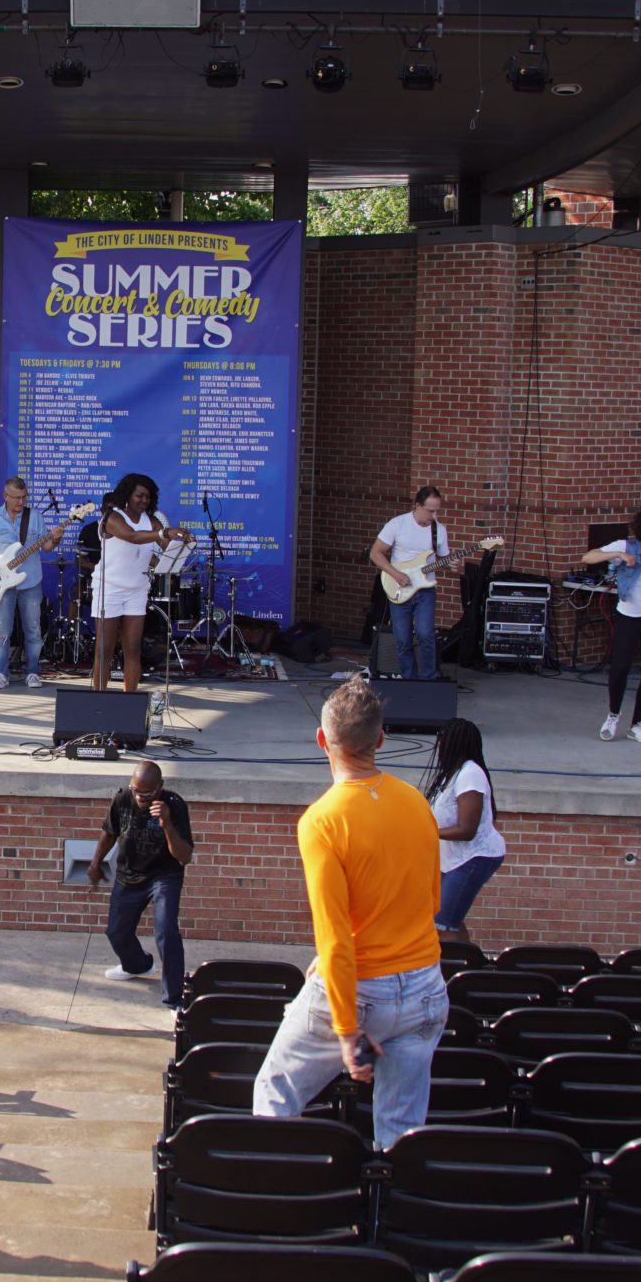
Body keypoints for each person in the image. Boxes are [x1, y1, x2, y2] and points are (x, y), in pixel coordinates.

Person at [250, 679, 448, 1151]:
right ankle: (392, 1196)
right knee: (401, 1133)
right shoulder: (416, 802)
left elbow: (335, 938)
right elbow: (432, 902)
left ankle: (278, 1189)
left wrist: (345, 1029)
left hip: (360, 990)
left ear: (322, 740)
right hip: (425, 987)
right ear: (381, 739)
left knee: (274, 1093)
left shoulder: (322, 821)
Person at [88, 762, 193, 1012]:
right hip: (130, 873)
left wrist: (167, 823)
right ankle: (138, 965)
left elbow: (184, 857)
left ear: (160, 787)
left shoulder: (174, 805)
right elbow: (110, 832)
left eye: (147, 794)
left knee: (166, 933)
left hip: (164, 876)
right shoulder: (123, 798)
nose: (140, 798)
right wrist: (95, 863)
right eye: (136, 790)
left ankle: (175, 1000)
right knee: (116, 932)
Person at [580, 505, 641, 745]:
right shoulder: (626, 546)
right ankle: (613, 715)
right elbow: (588, 557)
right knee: (620, 668)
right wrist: (619, 556)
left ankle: (637, 724)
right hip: (629, 617)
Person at [92, 473, 191, 693]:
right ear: (127, 494)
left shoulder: (152, 520)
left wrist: (182, 543)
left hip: (137, 589)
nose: (144, 500)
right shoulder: (113, 517)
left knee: (133, 649)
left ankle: (130, 699)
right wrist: (163, 532)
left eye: (148, 496)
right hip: (108, 589)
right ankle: (98, 700)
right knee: (104, 650)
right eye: (140, 495)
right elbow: (132, 536)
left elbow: (165, 546)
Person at [0, 476, 67, 690]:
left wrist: (56, 538)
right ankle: (1, 673)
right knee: (1, 630)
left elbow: (46, 548)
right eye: (17, 498)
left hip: (31, 581)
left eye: (24, 497)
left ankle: (33, 671)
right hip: (0, 582)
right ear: (5, 496)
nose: (21, 502)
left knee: (33, 629)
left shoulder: (34, 516)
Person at [423, 719, 507, 943]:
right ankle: (470, 962)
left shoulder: (471, 774)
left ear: (454, 743)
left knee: (443, 925)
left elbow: (467, 830)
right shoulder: (451, 773)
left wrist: (427, 832)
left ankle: (455, 964)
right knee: (451, 919)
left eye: (442, 741)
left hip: (474, 857)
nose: (438, 746)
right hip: (453, 860)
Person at [370, 487, 452, 681]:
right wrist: (396, 574)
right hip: (400, 587)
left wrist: (451, 563)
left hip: (425, 590)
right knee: (402, 639)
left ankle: (428, 680)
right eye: (430, 510)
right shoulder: (397, 524)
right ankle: (409, 680)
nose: (434, 515)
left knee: (425, 634)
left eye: (437, 510)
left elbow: (443, 559)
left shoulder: (439, 530)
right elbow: (375, 553)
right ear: (417, 506)